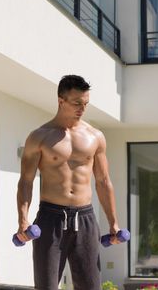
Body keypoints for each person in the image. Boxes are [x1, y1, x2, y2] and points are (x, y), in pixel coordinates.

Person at [16, 75, 122, 290]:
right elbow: (26, 182)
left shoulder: (95, 136)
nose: (82, 109)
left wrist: (113, 222)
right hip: (50, 218)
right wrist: (23, 220)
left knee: (90, 286)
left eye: (85, 104)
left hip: (86, 219)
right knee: (46, 286)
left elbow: (103, 181)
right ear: (60, 100)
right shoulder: (40, 136)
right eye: (76, 103)